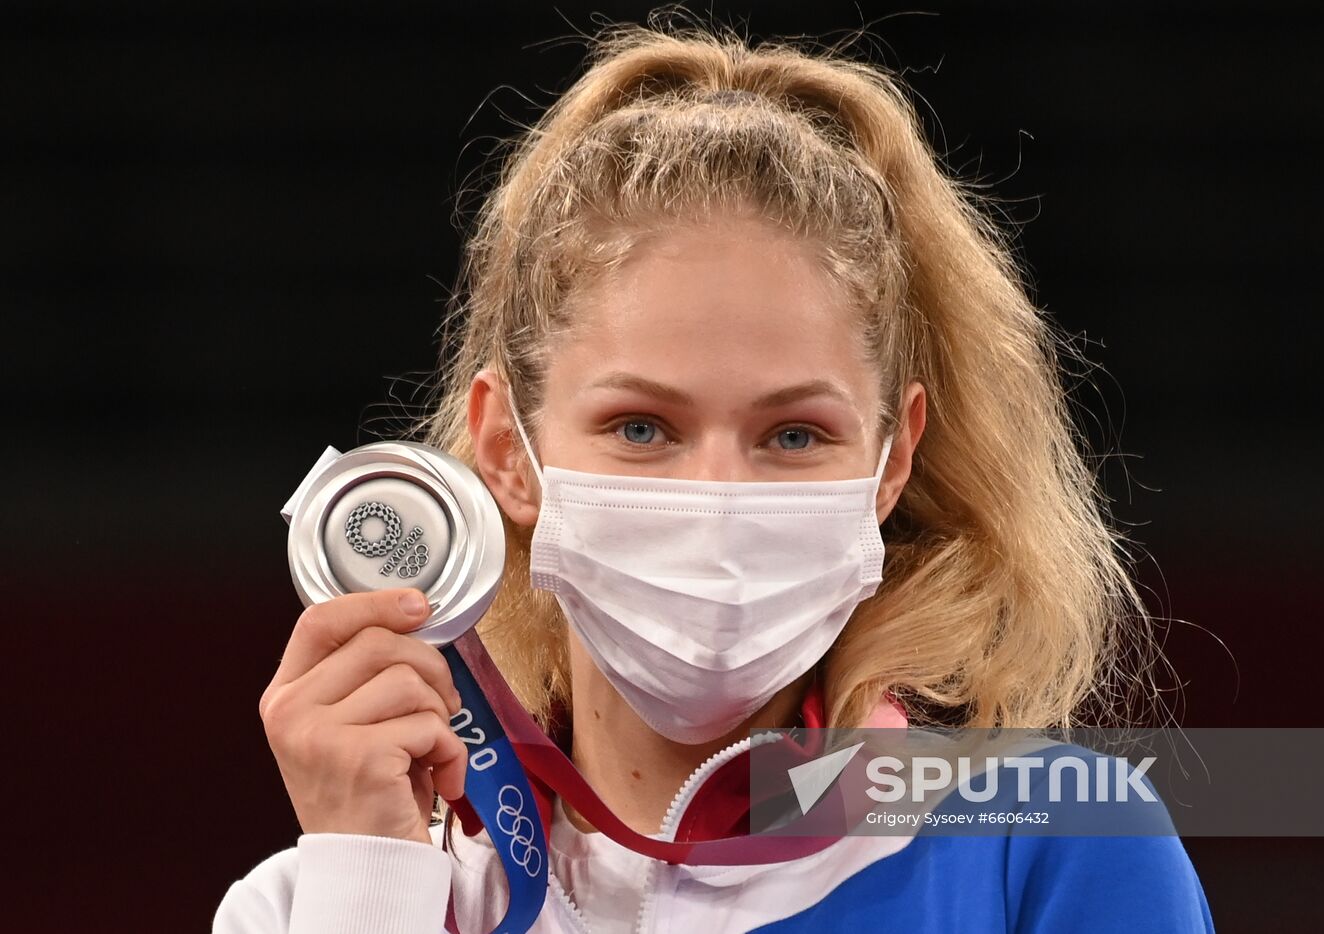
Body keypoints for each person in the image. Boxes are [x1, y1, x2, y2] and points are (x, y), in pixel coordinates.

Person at [214, 22, 1214, 934]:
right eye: (640, 426)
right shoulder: (307, 904)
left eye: (791, 435)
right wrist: (368, 882)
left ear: (889, 460)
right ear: (509, 452)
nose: (717, 498)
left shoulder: (1045, 849)